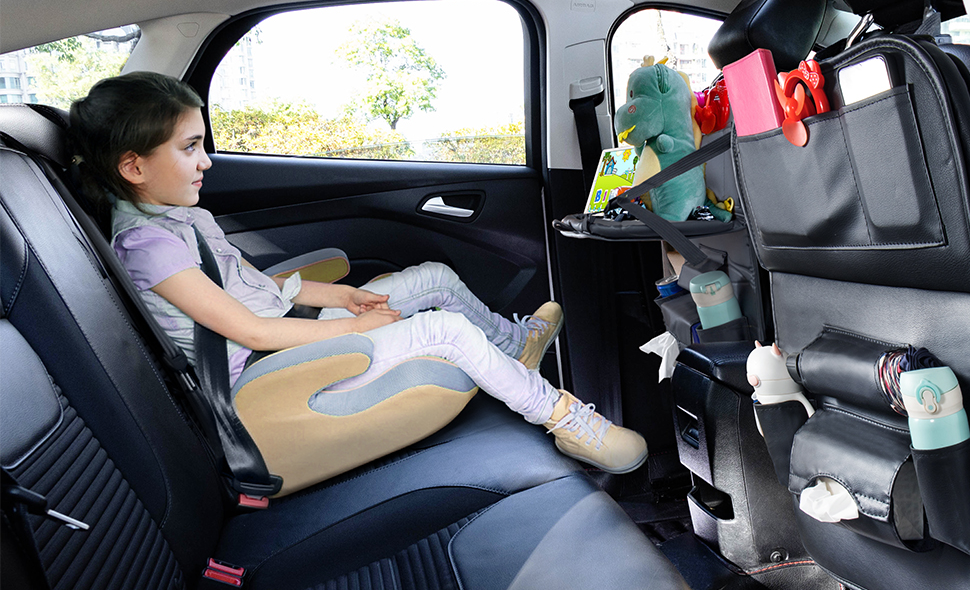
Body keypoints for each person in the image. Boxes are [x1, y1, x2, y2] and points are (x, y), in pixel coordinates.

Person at [69, 71, 647, 475]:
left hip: (289, 339)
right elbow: (251, 331)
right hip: (270, 377)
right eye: (190, 147)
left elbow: (258, 286)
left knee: (435, 278)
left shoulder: (182, 217)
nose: (207, 159)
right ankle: (566, 421)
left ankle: (516, 348)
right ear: (134, 167)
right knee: (445, 331)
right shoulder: (148, 246)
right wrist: (354, 328)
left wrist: (343, 297)